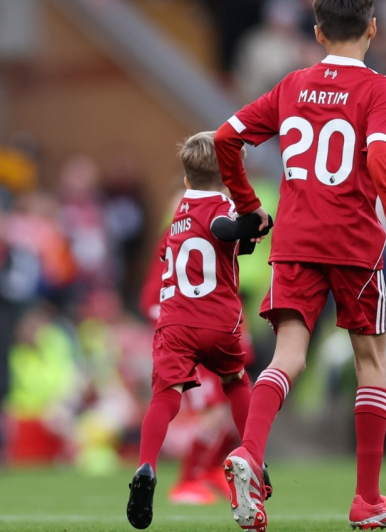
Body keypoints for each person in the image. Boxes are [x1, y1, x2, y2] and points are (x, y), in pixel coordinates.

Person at [214, 0, 386, 531]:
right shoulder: (380, 89)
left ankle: (250, 455)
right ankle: (367, 500)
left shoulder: (292, 86)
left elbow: (224, 139)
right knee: (370, 363)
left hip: (297, 241)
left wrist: (250, 205)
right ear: (373, 28)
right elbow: (379, 158)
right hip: (352, 242)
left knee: (287, 358)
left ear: (317, 32)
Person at [125, 132, 269, 530]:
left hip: (176, 323)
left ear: (185, 181)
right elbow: (223, 230)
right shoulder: (223, 206)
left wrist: (245, 237)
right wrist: (252, 225)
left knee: (164, 397)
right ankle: (253, 456)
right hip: (217, 320)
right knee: (237, 383)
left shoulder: (177, 217)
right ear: (228, 176)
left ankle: (146, 466)